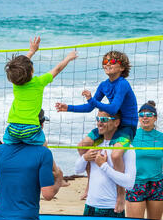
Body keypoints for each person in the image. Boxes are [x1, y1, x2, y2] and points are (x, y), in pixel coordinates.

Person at [55, 50, 138, 205]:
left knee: (115, 155)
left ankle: (121, 194)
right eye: (105, 62)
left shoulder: (123, 84)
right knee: (83, 145)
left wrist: (92, 100)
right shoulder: (104, 85)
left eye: (112, 62)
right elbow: (89, 107)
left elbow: (113, 108)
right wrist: (69, 107)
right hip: (108, 122)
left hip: (127, 125)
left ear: (122, 67)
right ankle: (90, 181)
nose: (107, 64)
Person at [4, 36, 77, 188]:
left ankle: (4, 171)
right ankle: (57, 173)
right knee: (45, 150)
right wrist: (68, 58)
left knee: (6, 151)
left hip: (13, 128)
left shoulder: (16, 84)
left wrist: (31, 51)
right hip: (31, 128)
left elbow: (19, 66)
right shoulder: (38, 82)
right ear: (32, 71)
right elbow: (57, 69)